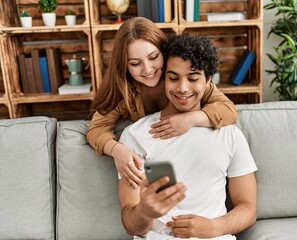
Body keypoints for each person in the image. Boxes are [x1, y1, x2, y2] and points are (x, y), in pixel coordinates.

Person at [118, 33, 257, 239]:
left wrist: (214, 227)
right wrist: (145, 212)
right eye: (173, 78)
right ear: (163, 77)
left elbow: (248, 208)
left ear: (208, 80)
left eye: (193, 78)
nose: (183, 88)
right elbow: (131, 224)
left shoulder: (229, 134)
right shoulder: (136, 135)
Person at [87, 17, 238, 188]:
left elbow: (228, 109)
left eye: (153, 57)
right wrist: (118, 151)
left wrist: (191, 119)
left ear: (163, 52)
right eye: (135, 63)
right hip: (156, 155)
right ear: (124, 66)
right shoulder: (122, 90)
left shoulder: (185, 77)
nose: (148, 69)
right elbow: (96, 129)